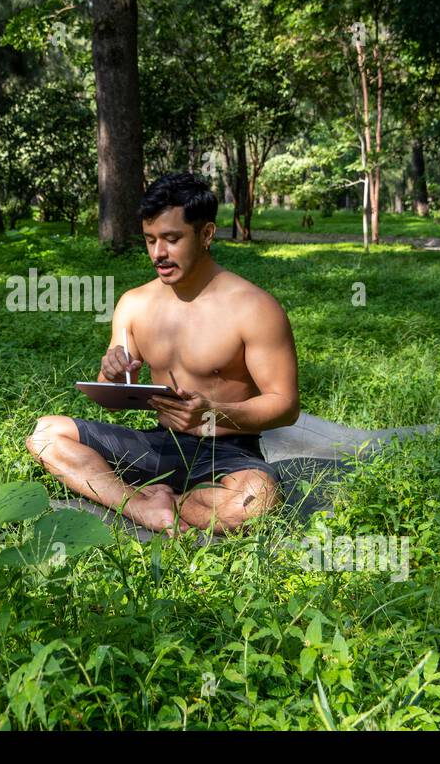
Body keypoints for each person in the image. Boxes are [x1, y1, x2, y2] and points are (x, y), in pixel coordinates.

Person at [26, 172, 300, 535]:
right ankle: (142, 506)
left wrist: (214, 413)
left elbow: (286, 405)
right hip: (160, 443)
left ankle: (168, 501)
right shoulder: (134, 304)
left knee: (257, 503)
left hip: (228, 448)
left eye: (172, 239)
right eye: (150, 240)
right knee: (46, 433)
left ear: (206, 235)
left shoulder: (254, 308)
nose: (159, 253)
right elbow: (115, 401)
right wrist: (110, 374)